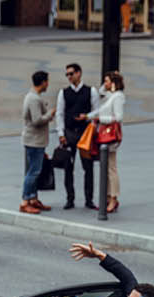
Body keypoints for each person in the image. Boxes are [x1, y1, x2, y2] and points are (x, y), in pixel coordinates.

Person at [55, 63, 98, 211]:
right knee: (68, 167)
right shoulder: (63, 93)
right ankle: (70, 199)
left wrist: (88, 120)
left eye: (71, 73)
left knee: (88, 167)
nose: (69, 77)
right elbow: (59, 114)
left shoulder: (91, 91)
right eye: (67, 74)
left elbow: (95, 112)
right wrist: (61, 133)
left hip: (86, 134)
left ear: (79, 73)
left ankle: (89, 199)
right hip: (69, 133)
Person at [88, 71, 125, 214]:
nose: (105, 84)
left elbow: (119, 117)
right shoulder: (111, 95)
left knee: (111, 168)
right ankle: (109, 197)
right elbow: (101, 92)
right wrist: (106, 84)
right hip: (104, 134)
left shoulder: (118, 97)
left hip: (110, 135)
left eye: (108, 81)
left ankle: (114, 198)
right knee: (107, 167)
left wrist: (102, 120)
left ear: (114, 83)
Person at [21, 70, 55, 214]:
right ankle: (25, 201)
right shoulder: (34, 99)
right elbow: (36, 120)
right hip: (34, 140)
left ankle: (33, 199)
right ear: (43, 82)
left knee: (35, 170)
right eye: (47, 81)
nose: (48, 84)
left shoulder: (32, 96)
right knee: (33, 172)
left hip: (35, 140)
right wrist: (50, 114)